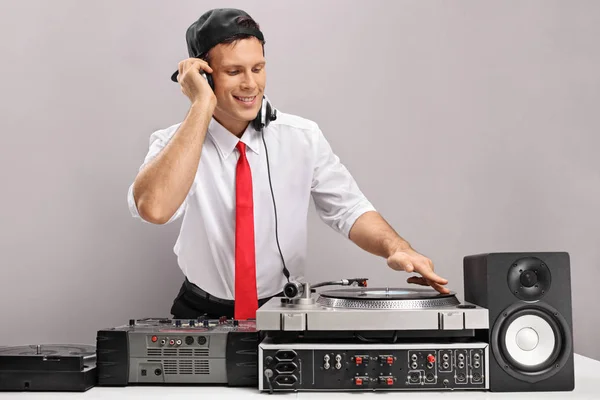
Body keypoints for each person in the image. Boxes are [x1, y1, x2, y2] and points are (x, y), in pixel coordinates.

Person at [127, 8, 449, 321]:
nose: (250, 84)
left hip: (284, 310)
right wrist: (201, 105)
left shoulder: (302, 137)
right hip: (199, 312)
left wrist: (396, 247)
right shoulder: (175, 144)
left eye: (258, 68)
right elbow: (154, 209)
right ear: (204, 77)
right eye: (234, 71)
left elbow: (349, 210)